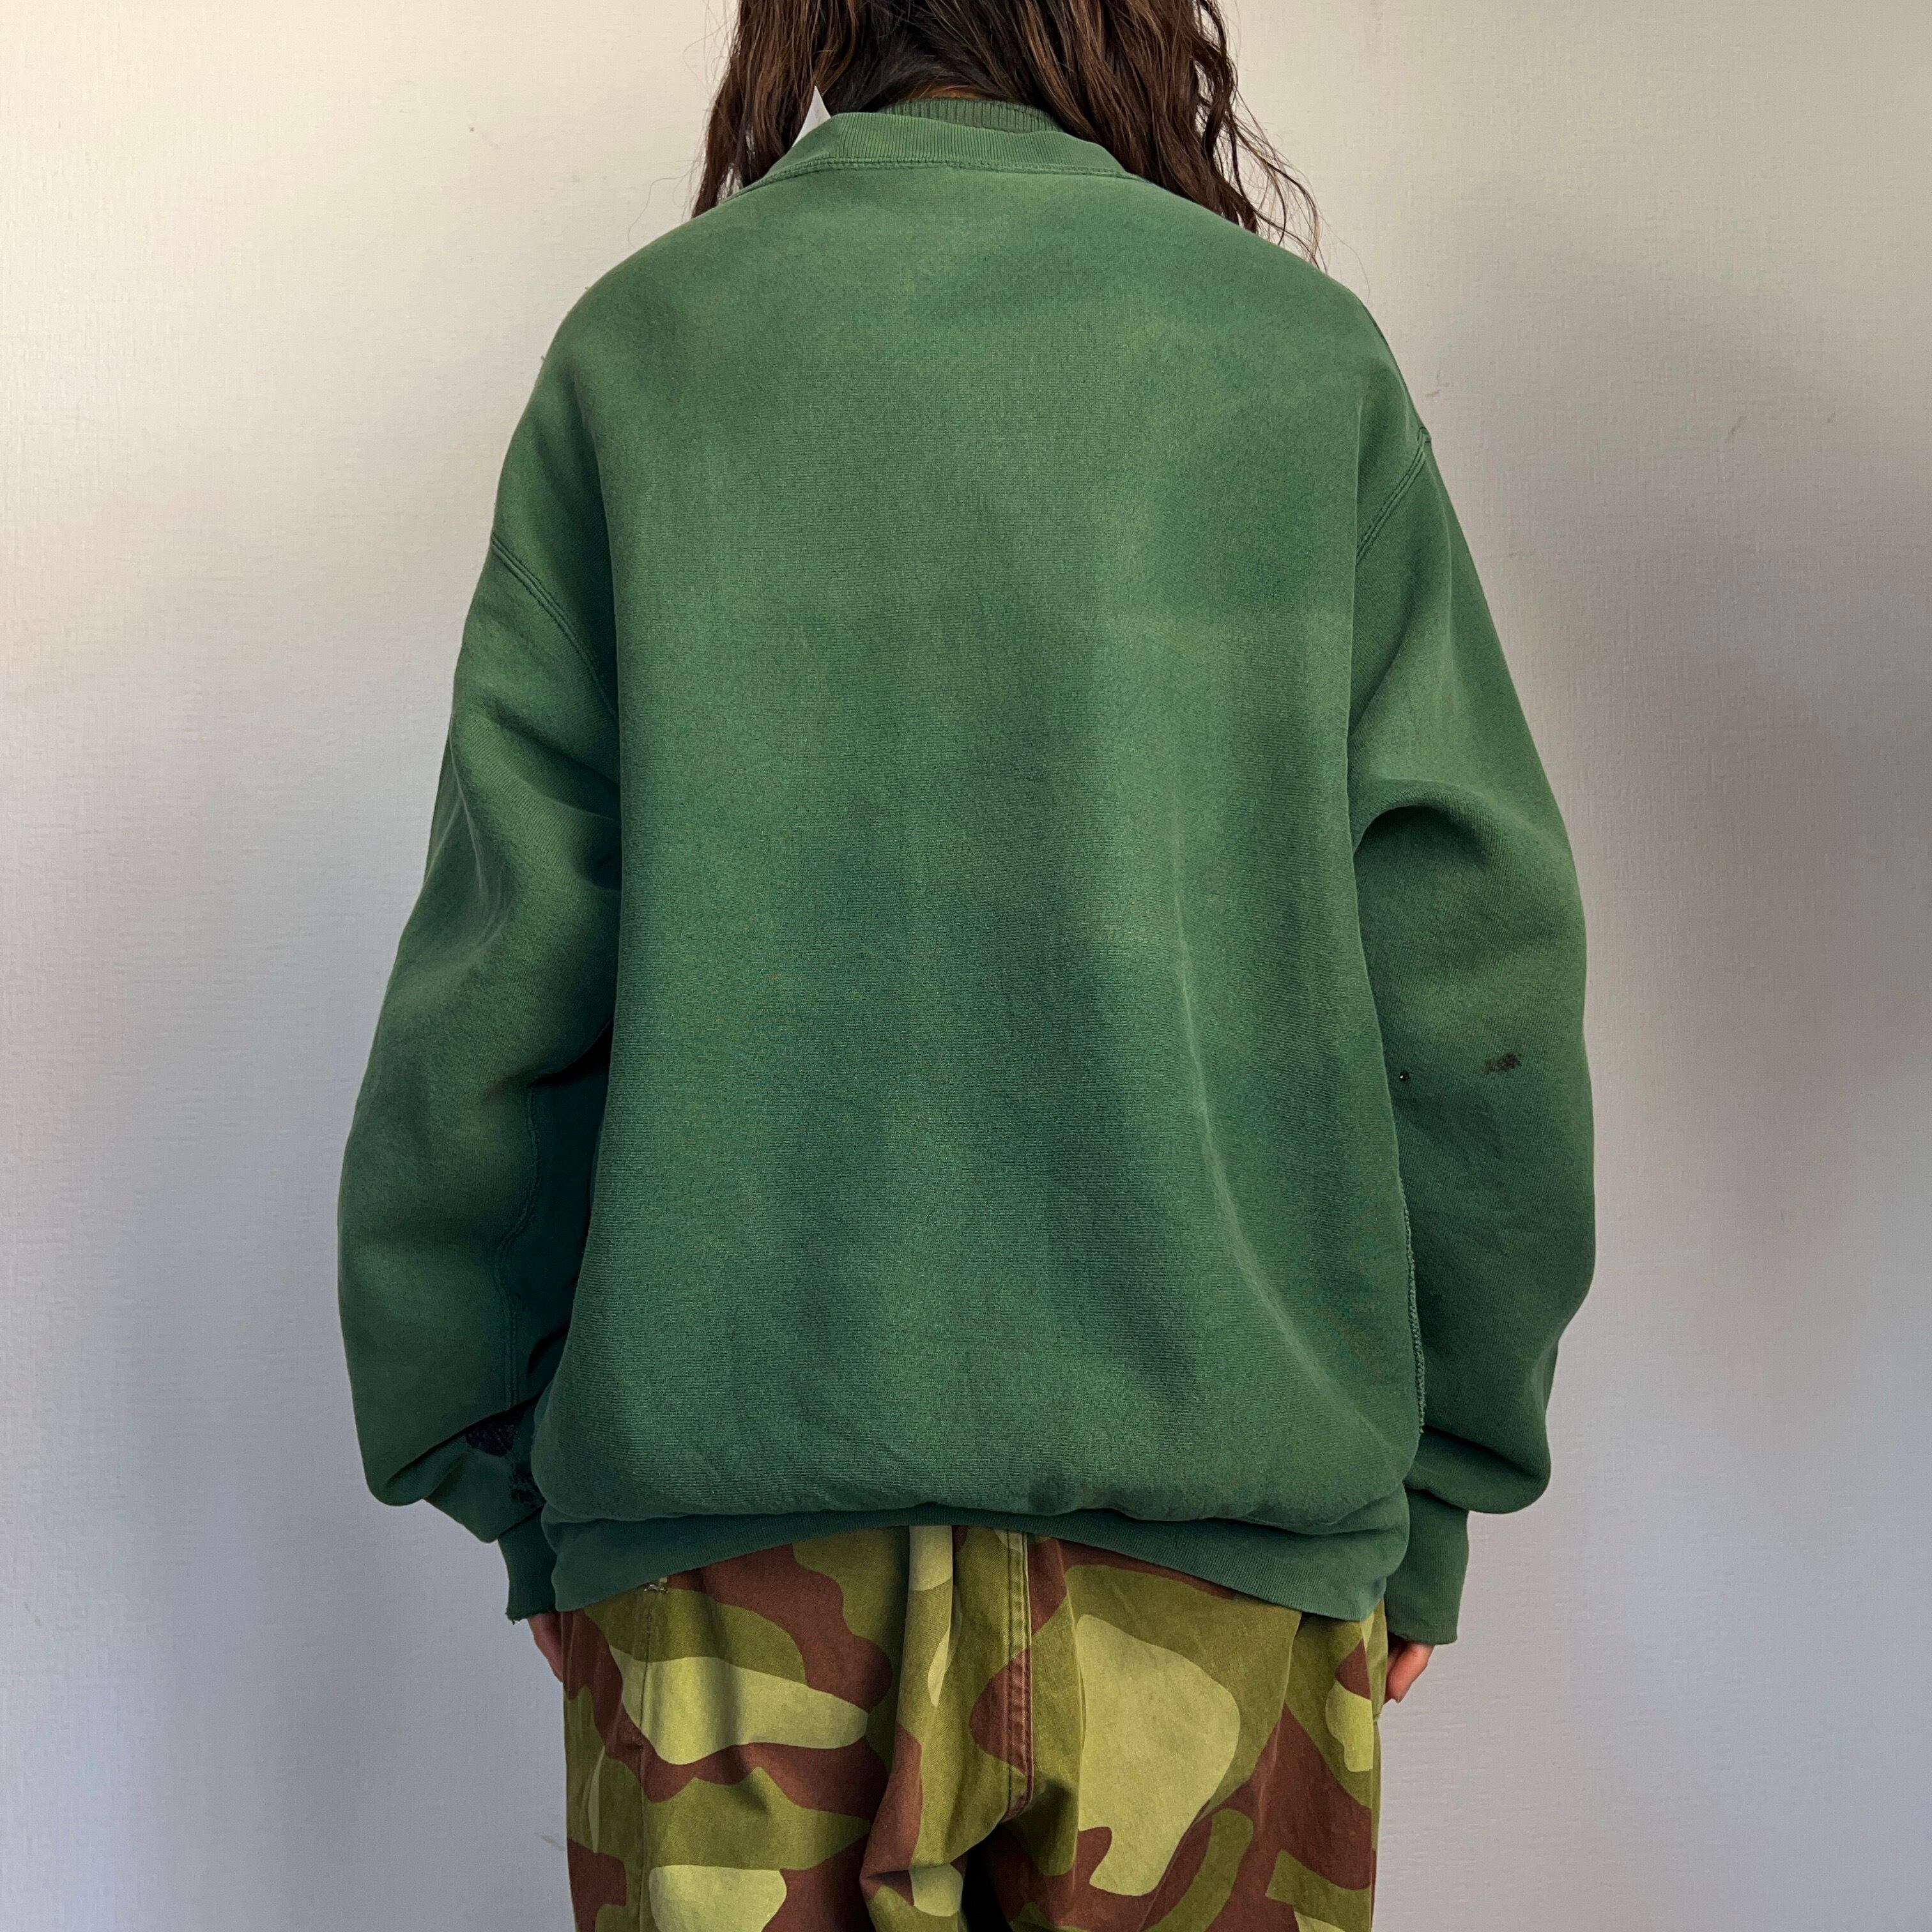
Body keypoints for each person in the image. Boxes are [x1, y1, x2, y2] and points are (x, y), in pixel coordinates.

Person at [336, 3, 1595, 1925]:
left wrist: (514, 1479)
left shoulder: (648, 351)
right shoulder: (1293, 365)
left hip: (728, 1586)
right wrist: (1438, 1489)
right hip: (1216, 1579)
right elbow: (1473, 956)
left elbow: (506, 957)